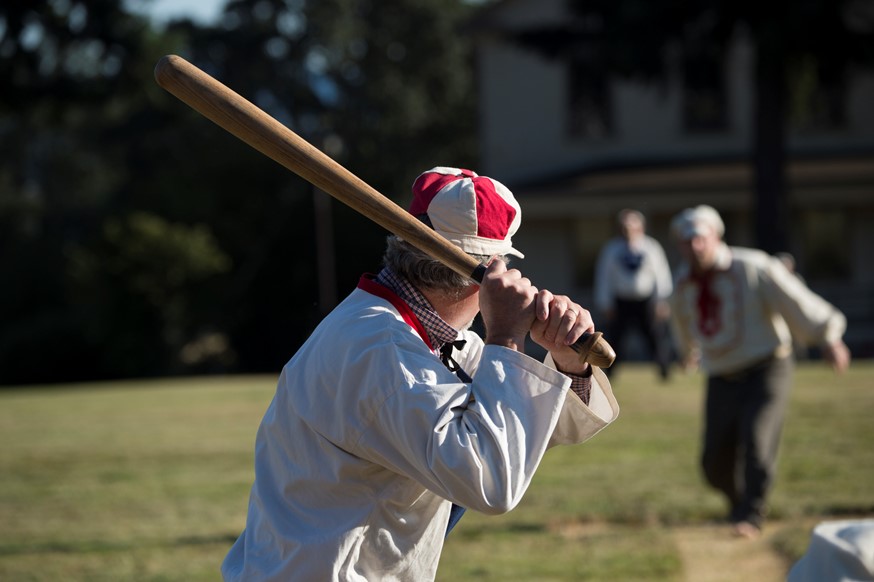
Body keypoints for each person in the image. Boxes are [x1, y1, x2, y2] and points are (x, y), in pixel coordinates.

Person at [221, 167, 620, 581]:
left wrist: (567, 362)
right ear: (484, 275)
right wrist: (506, 336)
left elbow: (520, 432)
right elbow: (491, 479)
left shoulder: (433, 339)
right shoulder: (381, 350)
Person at [668, 205, 851, 539]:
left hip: (767, 366)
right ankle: (739, 503)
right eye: (686, 241)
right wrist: (686, 353)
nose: (694, 247)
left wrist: (829, 337)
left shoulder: (753, 266)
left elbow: (796, 300)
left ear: (716, 237)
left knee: (757, 442)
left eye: (700, 239)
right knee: (713, 462)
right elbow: (682, 321)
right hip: (721, 372)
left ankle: (752, 512)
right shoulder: (683, 282)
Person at [594, 208, 674, 379]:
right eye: (624, 227)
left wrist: (662, 301)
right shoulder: (612, 249)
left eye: (632, 227)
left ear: (641, 228)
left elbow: (661, 275)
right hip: (621, 302)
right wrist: (605, 303)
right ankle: (610, 373)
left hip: (646, 301)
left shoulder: (651, 247)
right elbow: (604, 277)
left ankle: (664, 371)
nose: (628, 231)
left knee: (656, 338)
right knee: (615, 340)